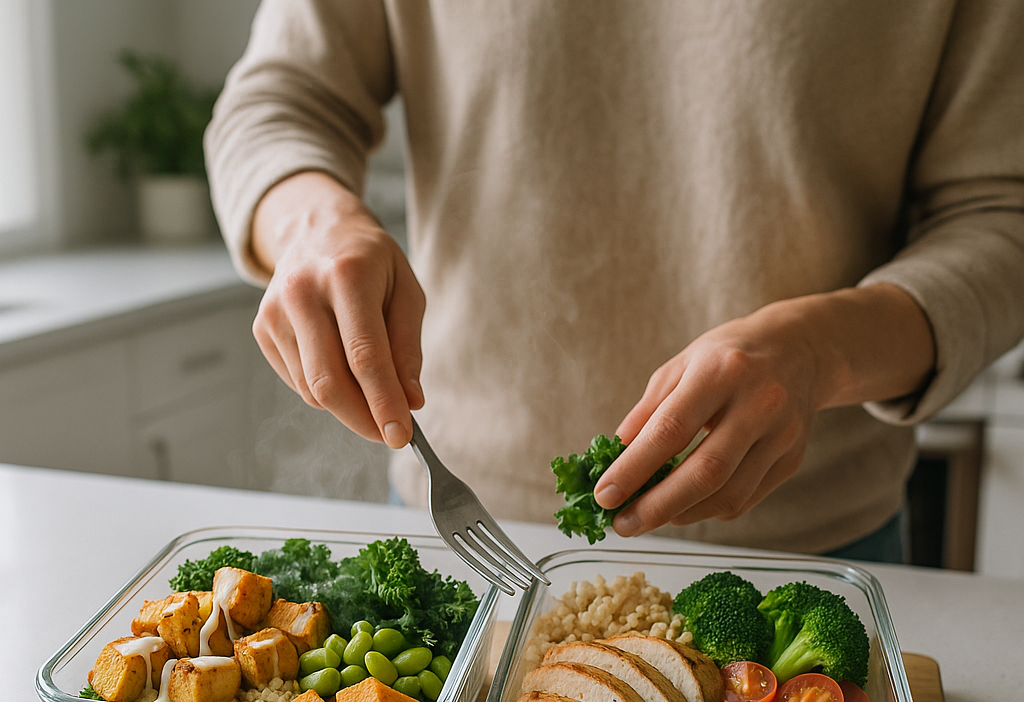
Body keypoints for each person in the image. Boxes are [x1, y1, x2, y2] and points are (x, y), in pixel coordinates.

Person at [205, 0, 1024, 562]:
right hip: (462, 519)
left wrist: (821, 351)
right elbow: (278, 100)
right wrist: (312, 224)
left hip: (815, 545)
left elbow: (1001, 212)